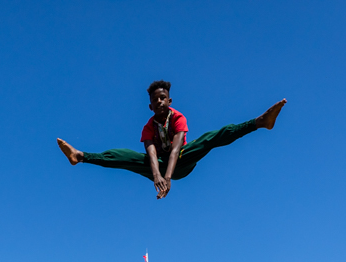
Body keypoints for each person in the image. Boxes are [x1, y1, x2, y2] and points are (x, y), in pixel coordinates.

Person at [57, 81, 285, 200]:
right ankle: (80, 156)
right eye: (155, 100)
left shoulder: (178, 118)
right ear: (150, 105)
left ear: (169, 99)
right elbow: (151, 153)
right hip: (160, 165)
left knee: (209, 138)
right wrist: (156, 176)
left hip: (182, 163)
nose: (159, 102)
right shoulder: (148, 126)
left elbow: (175, 150)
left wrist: (167, 179)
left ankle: (260, 122)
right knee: (124, 155)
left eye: (163, 98)